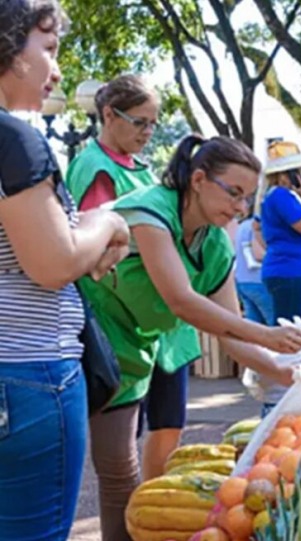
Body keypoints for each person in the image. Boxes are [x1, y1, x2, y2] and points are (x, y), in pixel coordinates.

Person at [81, 135, 301, 541]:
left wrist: (286, 374)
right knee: (76, 466)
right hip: (81, 338)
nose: (240, 207)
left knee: (120, 468)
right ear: (199, 179)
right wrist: (268, 335)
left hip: (133, 350)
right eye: (233, 193)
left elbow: (230, 332)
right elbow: (181, 300)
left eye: (247, 198)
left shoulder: (216, 246)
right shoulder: (150, 210)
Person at [0, 2, 130, 538]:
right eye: (48, 49)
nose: (56, 70)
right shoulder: (13, 140)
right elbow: (53, 263)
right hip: (27, 373)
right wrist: (107, 223)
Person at [65, 74, 195, 482]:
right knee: (121, 457)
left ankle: (157, 506)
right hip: (122, 325)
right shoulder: (93, 167)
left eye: (154, 123)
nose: (149, 132)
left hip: (161, 325)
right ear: (109, 115)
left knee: (169, 424)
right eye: (140, 122)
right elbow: (104, 260)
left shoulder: (142, 169)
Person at [259, 141, 301, 322]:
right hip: (289, 270)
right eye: (297, 172)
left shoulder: (276, 196)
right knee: (288, 326)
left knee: (288, 322)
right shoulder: (280, 196)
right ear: (285, 174)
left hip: (289, 269)